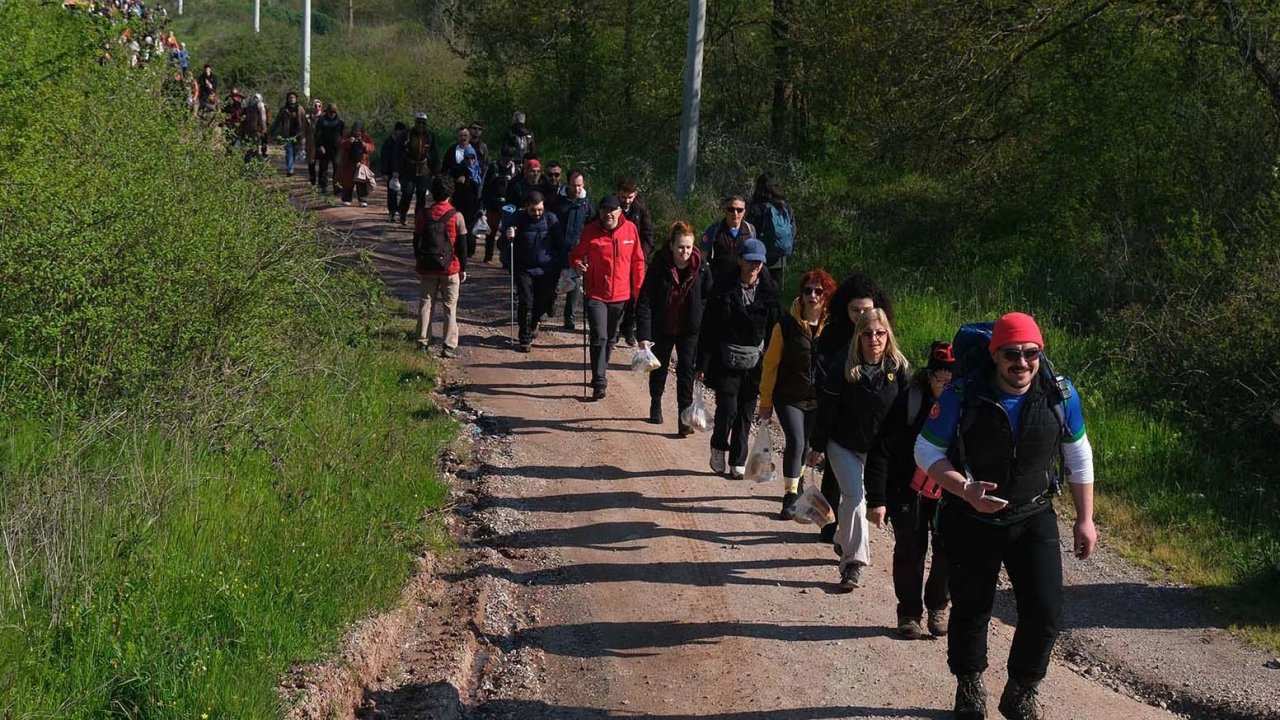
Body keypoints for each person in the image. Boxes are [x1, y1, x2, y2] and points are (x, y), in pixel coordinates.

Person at [914, 312, 1096, 720]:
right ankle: (969, 687)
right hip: (970, 516)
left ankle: (1021, 691)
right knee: (971, 608)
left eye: (1031, 353)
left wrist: (1085, 518)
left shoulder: (1060, 395)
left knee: (1046, 609)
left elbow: (1078, 454)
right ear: (994, 354)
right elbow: (925, 451)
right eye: (1011, 353)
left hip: (1033, 515)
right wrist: (964, 489)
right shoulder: (962, 394)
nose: (1022, 362)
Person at [809, 308, 909, 591]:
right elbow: (827, 410)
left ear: (887, 335)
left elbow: (908, 413)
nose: (874, 339)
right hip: (844, 446)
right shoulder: (844, 366)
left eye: (879, 333)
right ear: (859, 336)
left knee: (856, 503)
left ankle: (844, 538)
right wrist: (817, 445)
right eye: (867, 333)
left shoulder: (898, 367)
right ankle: (853, 564)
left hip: (880, 451)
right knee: (855, 499)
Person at [865, 341, 955, 640]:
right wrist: (877, 499)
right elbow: (881, 449)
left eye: (952, 379)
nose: (946, 385)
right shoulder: (911, 401)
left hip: (948, 493)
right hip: (908, 489)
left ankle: (938, 605)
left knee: (947, 550)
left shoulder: (964, 405)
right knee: (909, 550)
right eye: (941, 378)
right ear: (928, 376)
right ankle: (909, 613)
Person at [812, 273, 896, 543]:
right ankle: (832, 525)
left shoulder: (881, 336)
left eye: (867, 310)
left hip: (872, 427)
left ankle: (847, 533)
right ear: (844, 309)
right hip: (837, 419)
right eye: (855, 310)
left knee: (860, 487)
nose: (861, 315)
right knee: (838, 480)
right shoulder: (834, 335)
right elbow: (821, 374)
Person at [696, 238, 781, 478]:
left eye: (759, 262)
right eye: (751, 260)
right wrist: (701, 363)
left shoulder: (770, 294)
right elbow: (708, 327)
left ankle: (738, 460)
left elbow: (777, 333)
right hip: (726, 359)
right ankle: (718, 446)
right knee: (728, 409)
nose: (755, 265)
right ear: (741, 260)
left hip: (756, 362)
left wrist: (776, 367)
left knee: (746, 412)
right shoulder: (723, 289)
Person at [757, 268, 836, 518]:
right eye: (808, 290)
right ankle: (790, 496)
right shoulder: (786, 325)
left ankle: (798, 482)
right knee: (797, 440)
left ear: (826, 296)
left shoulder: (832, 327)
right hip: (788, 395)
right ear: (801, 295)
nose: (812, 296)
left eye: (818, 291)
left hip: (817, 397)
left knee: (806, 446)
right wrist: (766, 400)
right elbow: (770, 364)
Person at [636, 221, 714, 434]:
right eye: (681, 246)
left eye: (688, 247)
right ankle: (655, 401)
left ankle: (684, 419)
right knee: (658, 368)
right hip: (663, 326)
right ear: (671, 245)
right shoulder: (659, 266)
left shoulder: (702, 267)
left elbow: (709, 298)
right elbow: (645, 299)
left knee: (686, 372)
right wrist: (643, 335)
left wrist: (702, 318)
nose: (685, 252)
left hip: (689, 329)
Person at [569, 195, 646, 399]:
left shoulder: (630, 230)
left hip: (621, 295)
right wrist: (579, 264)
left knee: (611, 338)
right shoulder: (590, 231)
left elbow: (638, 262)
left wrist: (639, 292)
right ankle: (600, 380)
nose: (608, 214)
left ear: (620, 211)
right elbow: (576, 255)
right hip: (596, 293)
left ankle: (601, 368)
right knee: (599, 336)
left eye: (612, 210)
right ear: (600, 212)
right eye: (604, 210)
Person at [414, 175, 470, 358]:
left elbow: (416, 240)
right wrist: (463, 268)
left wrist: (420, 260)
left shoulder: (423, 214)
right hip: (450, 267)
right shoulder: (457, 216)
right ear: (450, 193)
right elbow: (462, 246)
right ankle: (448, 345)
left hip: (427, 267)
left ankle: (422, 342)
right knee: (449, 307)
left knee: (426, 304)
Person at [504, 191, 563, 352]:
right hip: (524, 268)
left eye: (539, 210)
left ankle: (534, 321)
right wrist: (509, 235)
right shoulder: (518, 220)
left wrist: (561, 265)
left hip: (547, 269)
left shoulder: (551, 219)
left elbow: (559, 244)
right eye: (533, 210)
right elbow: (503, 243)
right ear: (526, 208)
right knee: (526, 301)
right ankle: (524, 337)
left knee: (542, 302)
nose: (536, 213)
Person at [615, 177, 655, 347]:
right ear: (618, 194)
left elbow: (648, 234)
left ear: (635, 195)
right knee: (617, 296)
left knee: (634, 295)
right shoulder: (612, 207)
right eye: (624, 197)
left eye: (630, 197)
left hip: (635, 259)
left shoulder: (640, 209)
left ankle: (628, 328)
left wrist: (642, 255)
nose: (626, 201)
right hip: (616, 258)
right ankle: (614, 329)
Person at [552, 168, 594, 330]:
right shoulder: (557, 202)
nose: (577, 189)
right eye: (574, 185)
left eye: (580, 185)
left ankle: (569, 317)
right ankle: (548, 306)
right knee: (553, 280)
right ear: (567, 184)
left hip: (577, 250)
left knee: (575, 284)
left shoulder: (586, 205)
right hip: (557, 248)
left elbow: (591, 226)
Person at [746, 172, 797, 287]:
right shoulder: (785, 207)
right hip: (778, 259)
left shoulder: (756, 208)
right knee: (774, 293)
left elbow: (748, 232)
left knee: (756, 292)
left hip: (758, 259)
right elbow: (793, 230)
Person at [701, 195, 758, 279]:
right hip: (718, 282)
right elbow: (703, 257)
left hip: (741, 282)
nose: (735, 213)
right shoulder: (713, 230)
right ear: (725, 210)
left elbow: (755, 256)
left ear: (744, 212)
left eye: (739, 210)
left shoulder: (750, 230)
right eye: (731, 209)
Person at [397, 112, 438, 224]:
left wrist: (435, 171)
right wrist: (396, 170)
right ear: (415, 122)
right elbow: (398, 153)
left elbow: (434, 154)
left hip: (424, 169)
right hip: (408, 168)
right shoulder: (407, 134)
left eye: (423, 122)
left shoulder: (429, 135)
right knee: (407, 193)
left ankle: (418, 218)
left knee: (421, 195)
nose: (421, 125)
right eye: (418, 122)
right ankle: (403, 213)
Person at [451, 147, 484, 257]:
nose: (470, 161)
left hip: (475, 205)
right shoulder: (457, 169)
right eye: (467, 158)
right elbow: (450, 184)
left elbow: (484, 187)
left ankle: (469, 251)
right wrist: (458, 181)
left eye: (472, 158)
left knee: (471, 231)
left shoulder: (480, 169)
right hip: (460, 204)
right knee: (460, 229)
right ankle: (459, 250)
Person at [268, 91, 307, 176]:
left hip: (297, 135)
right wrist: (270, 131)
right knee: (289, 151)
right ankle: (290, 170)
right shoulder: (284, 110)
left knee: (294, 152)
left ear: (296, 99)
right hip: (287, 135)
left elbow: (304, 122)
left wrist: (305, 132)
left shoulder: (300, 109)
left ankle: (291, 167)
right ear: (288, 99)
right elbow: (277, 121)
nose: (292, 99)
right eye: (290, 98)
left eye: (293, 98)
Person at [337, 122, 375, 207]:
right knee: (347, 182)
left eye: (358, 131)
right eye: (355, 131)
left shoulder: (365, 137)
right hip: (349, 163)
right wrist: (349, 142)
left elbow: (372, 147)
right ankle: (346, 199)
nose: (356, 133)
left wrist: (364, 145)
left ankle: (362, 200)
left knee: (361, 181)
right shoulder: (348, 136)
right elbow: (341, 143)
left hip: (362, 163)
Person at [313, 102, 345, 194]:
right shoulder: (322, 120)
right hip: (324, 147)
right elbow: (317, 134)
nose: (332, 113)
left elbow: (343, 135)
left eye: (334, 112)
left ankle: (337, 186)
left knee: (337, 166)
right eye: (330, 112)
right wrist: (320, 145)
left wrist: (343, 146)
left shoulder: (340, 122)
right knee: (323, 168)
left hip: (336, 147)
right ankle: (323, 186)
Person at [380, 122, 408, 223]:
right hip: (390, 172)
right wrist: (384, 173)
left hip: (404, 173)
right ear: (395, 131)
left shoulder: (406, 142)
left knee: (405, 193)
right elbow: (384, 158)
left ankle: (401, 212)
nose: (400, 134)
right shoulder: (389, 142)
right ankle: (392, 213)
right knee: (392, 194)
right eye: (399, 131)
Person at [306, 99, 324, 186]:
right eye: (315, 106)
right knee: (311, 163)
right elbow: (303, 130)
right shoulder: (308, 118)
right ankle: (312, 181)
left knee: (322, 163)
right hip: (311, 143)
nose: (317, 108)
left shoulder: (324, 118)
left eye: (319, 106)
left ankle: (321, 182)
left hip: (321, 143)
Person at [221, 88, 245, 154]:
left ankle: (237, 153)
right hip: (229, 121)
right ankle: (229, 152)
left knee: (239, 137)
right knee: (229, 137)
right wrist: (223, 121)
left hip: (239, 122)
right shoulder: (228, 99)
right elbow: (223, 110)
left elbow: (244, 110)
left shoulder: (241, 99)